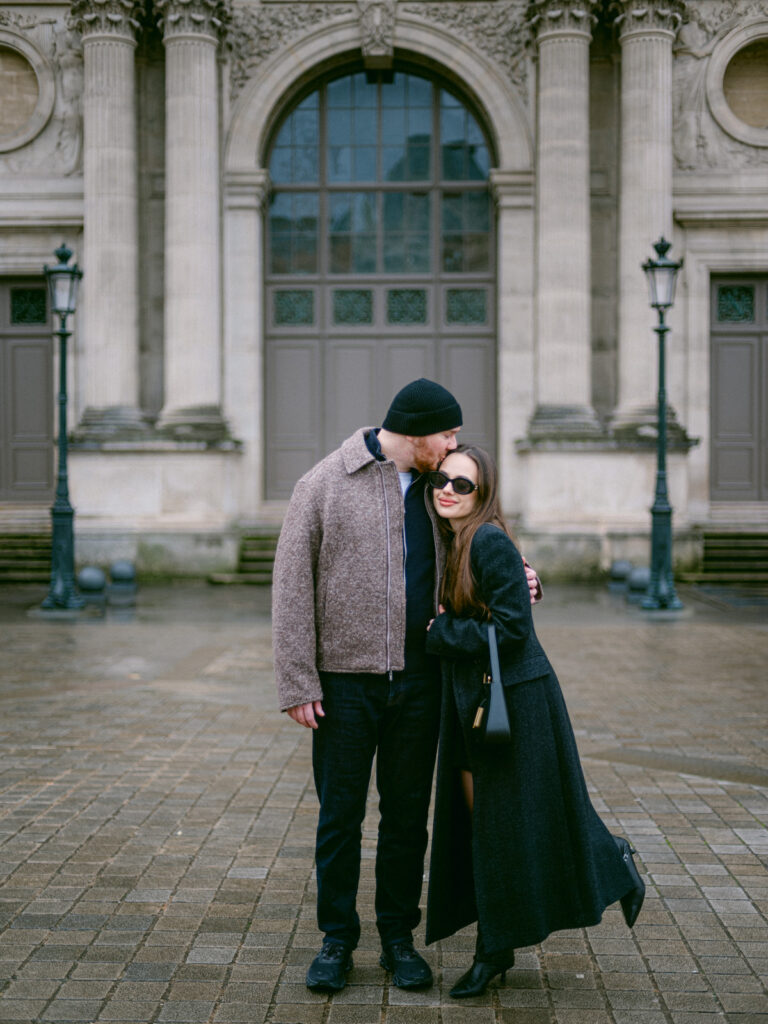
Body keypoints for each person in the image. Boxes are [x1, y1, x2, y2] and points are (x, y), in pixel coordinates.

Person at [272, 380, 541, 994]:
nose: (453, 447)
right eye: (446, 435)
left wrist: (522, 573)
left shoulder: (437, 490)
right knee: (340, 819)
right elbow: (290, 588)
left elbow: (479, 537)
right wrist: (296, 680)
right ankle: (336, 939)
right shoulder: (322, 485)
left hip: (421, 684)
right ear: (419, 435)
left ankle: (398, 938)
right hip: (342, 687)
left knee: (406, 819)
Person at [424, 444, 645, 999]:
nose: (448, 489)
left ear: (485, 494)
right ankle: (608, 860)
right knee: (501, 826)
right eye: (442, 479)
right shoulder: (455, 539)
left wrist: (440, 634)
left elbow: (512, 630)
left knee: (503, 828)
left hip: (513, 703)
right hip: (478, 703)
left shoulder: (489, 542)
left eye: (464, 484)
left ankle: (494, 951)